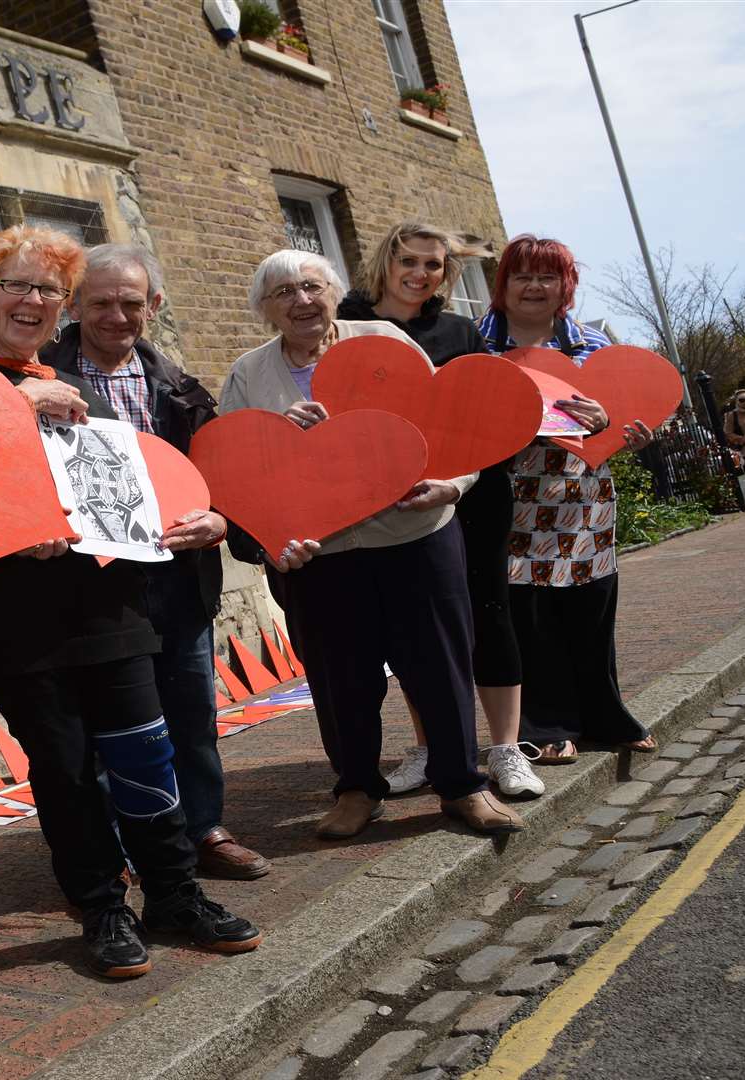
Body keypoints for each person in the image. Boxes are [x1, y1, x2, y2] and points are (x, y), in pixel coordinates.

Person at [0, 224, 264, 979]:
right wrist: (19, 403)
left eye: (48, 289)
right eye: (16, 284)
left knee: (146, 753)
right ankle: (101, 906)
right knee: (68, 770)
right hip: (15, 620)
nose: (33, 300)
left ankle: (174, 895)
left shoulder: (70, 384)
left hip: (109, 604)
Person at [219, 249, 525, 841]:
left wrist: (455, 484)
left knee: (438, 662)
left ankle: (462, 784)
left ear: (333, 292)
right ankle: (357, 788)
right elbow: (237, 465)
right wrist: (276, 508)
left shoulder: (382, 338)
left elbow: (446, 422)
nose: (301, 300)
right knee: (339, 676)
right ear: (265, 309)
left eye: (311, 286)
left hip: (411, 532)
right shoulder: (249, 373)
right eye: (283, 292)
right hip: (319, 551)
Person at [39, 243, 270, 880]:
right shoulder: (38, 382)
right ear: (75, 306)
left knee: (191, 713)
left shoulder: (180, 386)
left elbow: (223, 480)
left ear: (154, 305)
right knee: (104, 727)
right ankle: (120, 849)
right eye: (101, 302)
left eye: (131, 303)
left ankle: (204, 830)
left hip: (178, 578)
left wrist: (221, 519)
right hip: (93, 586)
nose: (117, 315)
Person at [338, 223, 544, 801]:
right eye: (408, 260)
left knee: (490, 612)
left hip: (473, 491)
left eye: (433, 265)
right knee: (413, 629)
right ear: (385, 261)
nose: (420, 273)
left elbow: (484, 409)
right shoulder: (348, 326)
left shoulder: (458, 330)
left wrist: (457, 477)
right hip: (391, 501)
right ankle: (432, 748)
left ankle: (506, 750)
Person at [476, 235, 656, 764]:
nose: (534, 287)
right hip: (510, 496)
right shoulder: (477, 347)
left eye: (547, 277)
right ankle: (547, 723)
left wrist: (624, 431)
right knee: (531, 614)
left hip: (584, 494)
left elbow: (623, 420)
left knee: (590, 606)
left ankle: (603, 714)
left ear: (565, 287)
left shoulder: (595, 347)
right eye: (521, 276)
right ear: (502, 285)